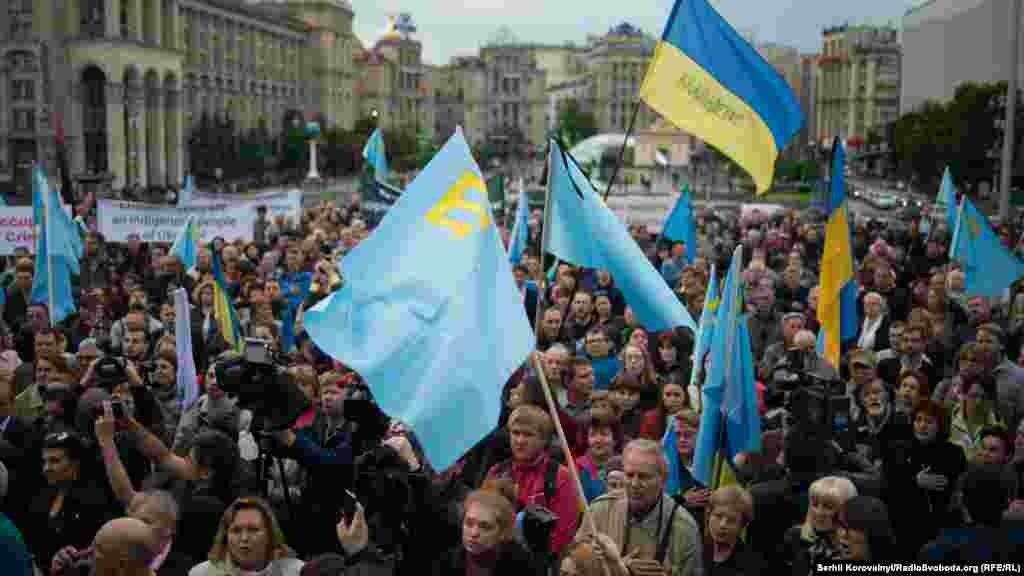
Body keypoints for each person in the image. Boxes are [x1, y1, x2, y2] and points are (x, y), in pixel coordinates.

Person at [575, 439, 702, 576]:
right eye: (629, 475)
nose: (634, 484)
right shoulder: (600, 510)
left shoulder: (684, 527)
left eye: (643, 477)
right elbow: (574, 565)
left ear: (663, 479)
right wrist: (619, 566)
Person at [188, 497, 304, 576]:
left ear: (270, 535)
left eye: (253, 530)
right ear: (225, 536)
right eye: (236, 530)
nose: (244, 538)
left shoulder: (297, 571)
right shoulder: (201, 573)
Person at [704, 485, 760, 576]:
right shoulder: (695, 545)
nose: (723, 525)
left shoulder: (750, 566)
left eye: (732, 520)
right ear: (708, 515)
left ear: (743, 525)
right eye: (718, 516)